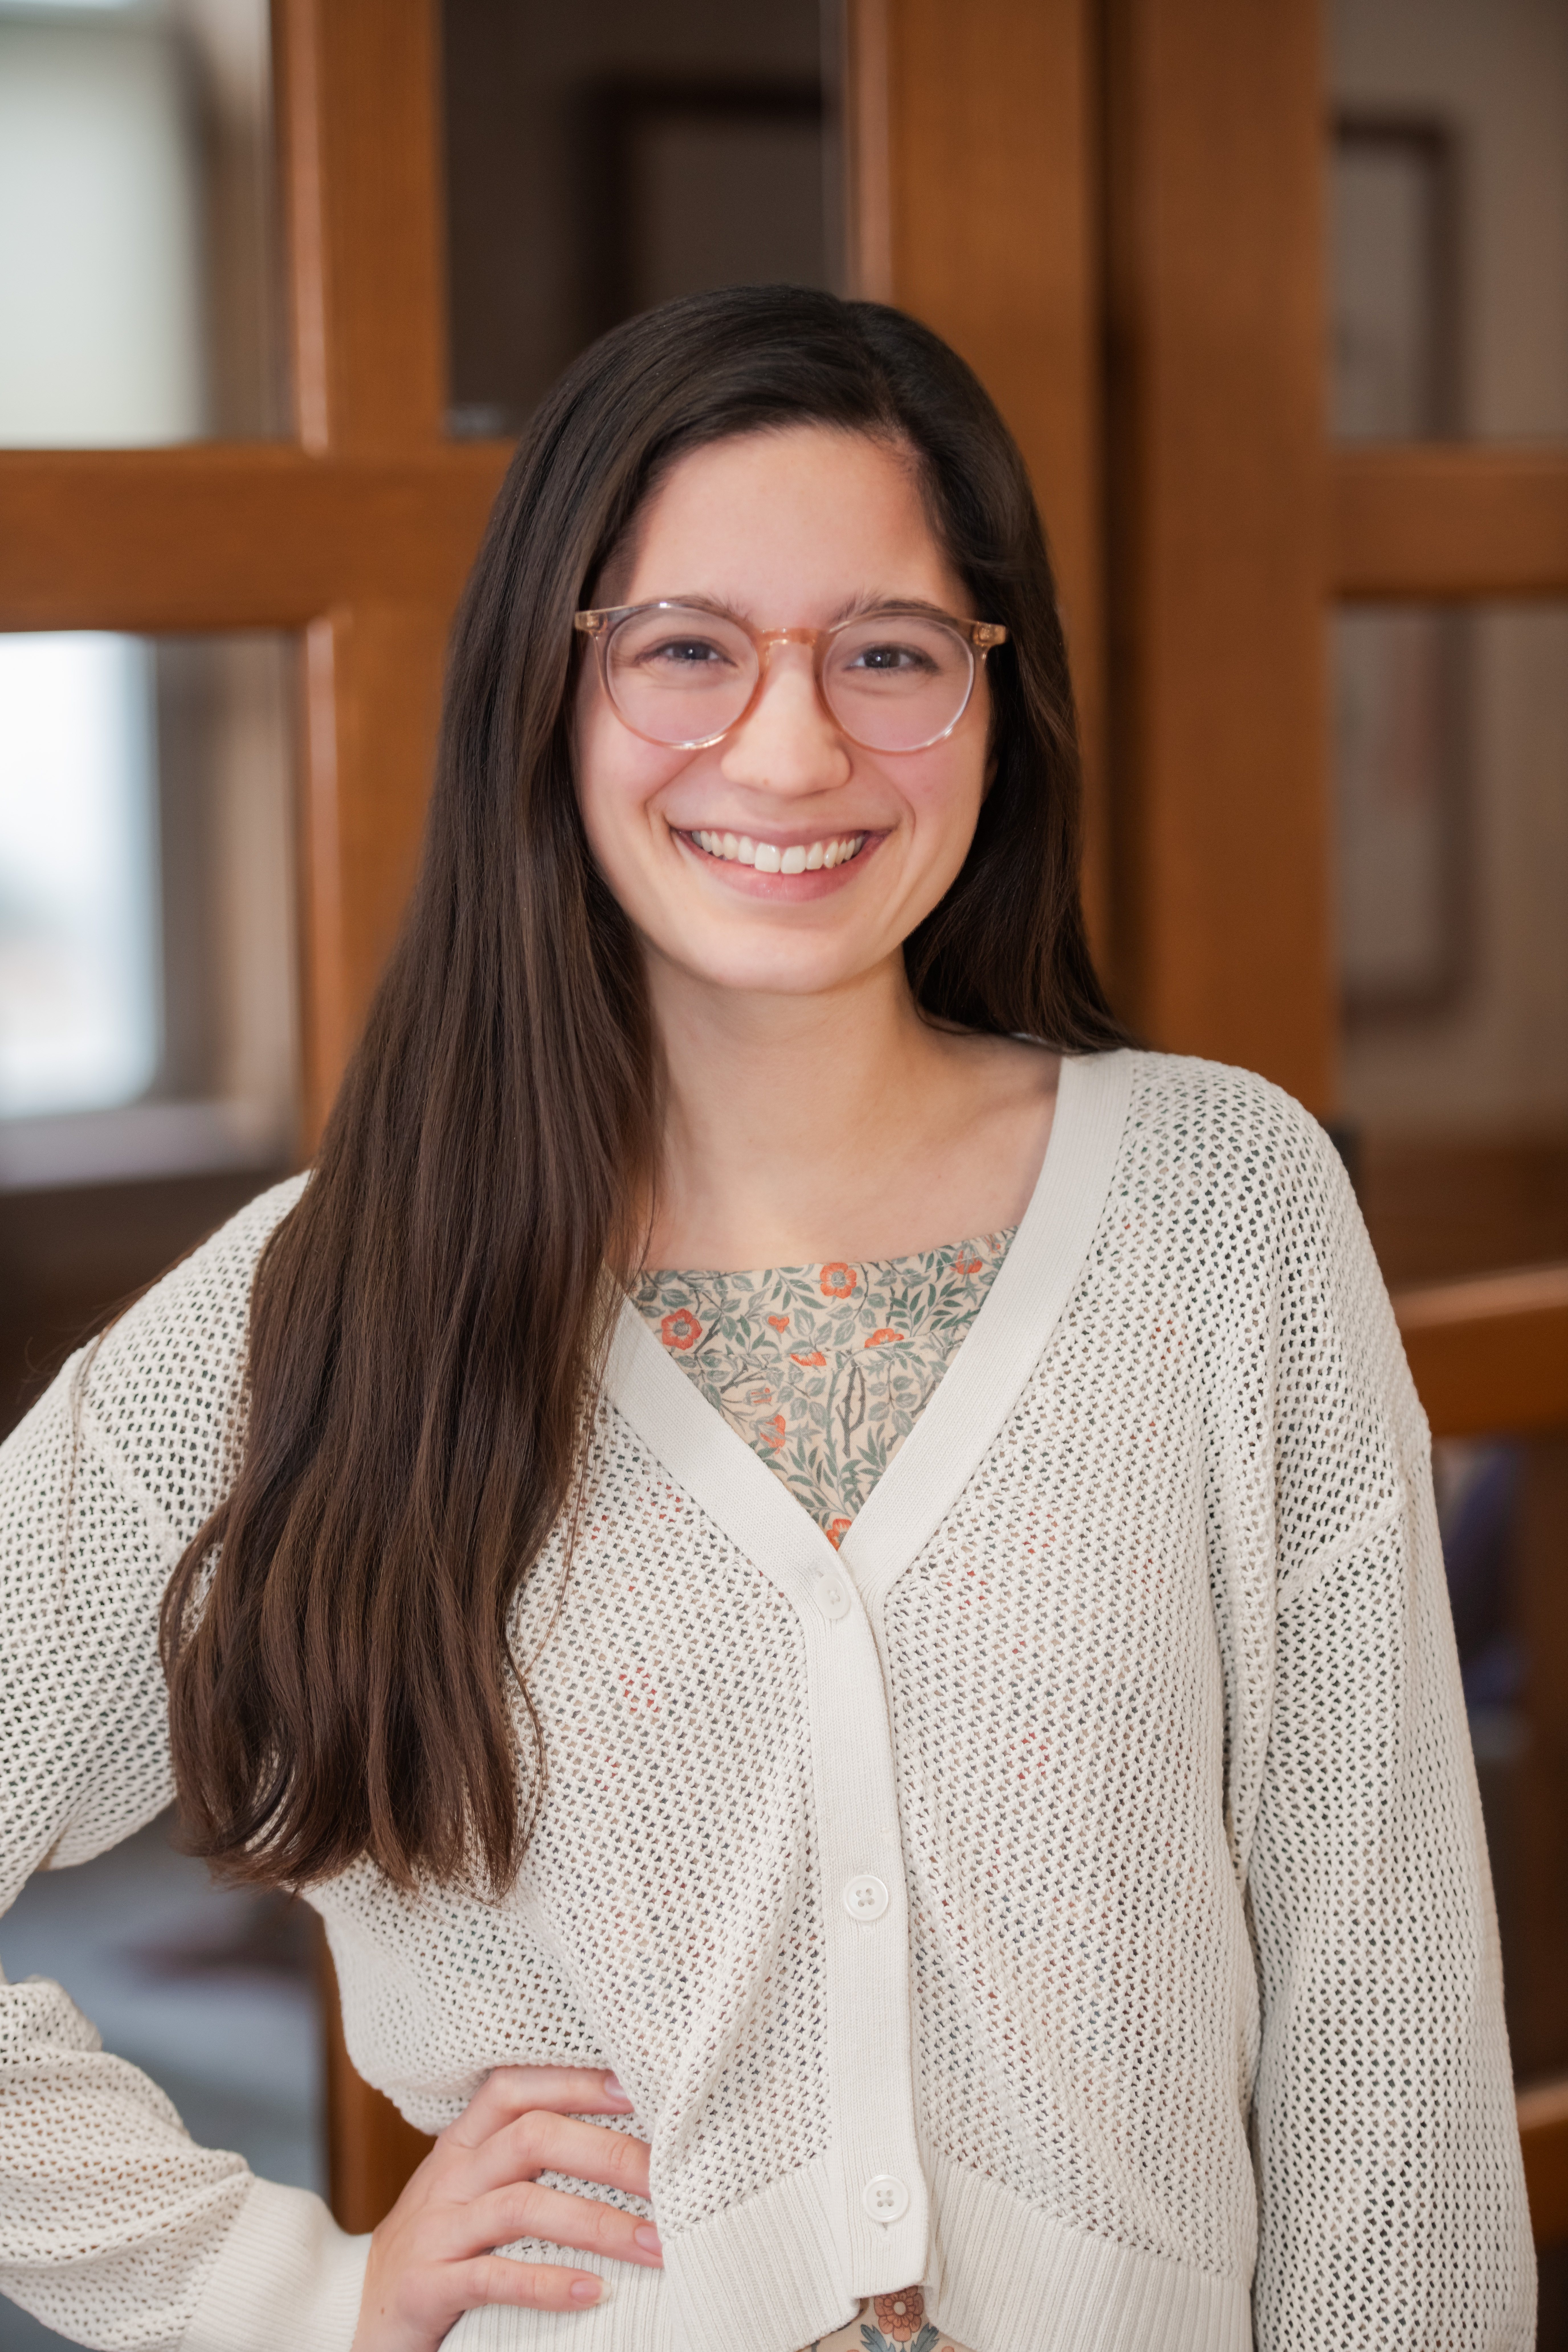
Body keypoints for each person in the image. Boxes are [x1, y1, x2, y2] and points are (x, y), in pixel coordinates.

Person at [0, 286, 1534, 2352]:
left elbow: (1388, 2020)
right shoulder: (322, 1307)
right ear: (546, 690)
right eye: (687, 651)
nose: (793, 747)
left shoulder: (1218, 1213)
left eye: (889, 654)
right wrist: (282, 2293)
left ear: (997, 697)